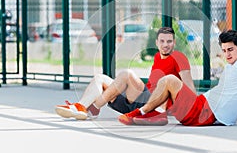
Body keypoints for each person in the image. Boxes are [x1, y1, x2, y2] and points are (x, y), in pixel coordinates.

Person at [119, 30, 237, 127]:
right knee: (165, 83)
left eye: (231, 50)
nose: (227, 54)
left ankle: (140, 112)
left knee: (169, 79)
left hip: (205, 112)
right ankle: (151, 114)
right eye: (224, 51)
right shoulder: (230, 66)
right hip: (201, 106)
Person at [55, 26, 196, 120]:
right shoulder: (157, 57)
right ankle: (80, 106)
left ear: (174, 43)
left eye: (169, 41)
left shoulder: (179, 57)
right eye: (162, 41)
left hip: (153, 104)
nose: (166, 45)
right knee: (100, 78)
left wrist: (191, 110)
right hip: (135, 102)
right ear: (157, 42)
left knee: (127, 74)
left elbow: (189, 87)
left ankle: (93, 108)